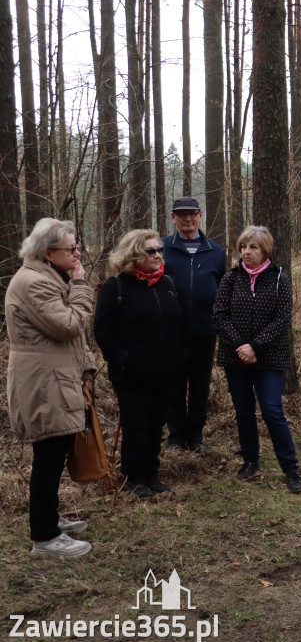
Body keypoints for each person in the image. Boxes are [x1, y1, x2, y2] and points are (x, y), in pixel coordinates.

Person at [6, 218, 96, 556]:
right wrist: (82, 285)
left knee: (54, 455)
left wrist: (86, 367)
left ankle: (49, 519)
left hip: (55, 378)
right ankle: (44, 538)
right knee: (48, 456)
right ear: (47, 253)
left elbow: (70, 338)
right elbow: (69, 325)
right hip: (43, 383)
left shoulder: (46, 277)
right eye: (71, 249)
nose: (77, 254)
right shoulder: (33, 283)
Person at [94, 229, 185, 498]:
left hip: (166, 372)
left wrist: (180, 356)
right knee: (137, 425)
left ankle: (151, 473)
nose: (158, 255)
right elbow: (102, 331)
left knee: (157, 423)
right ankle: (133, 476)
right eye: (151, 251)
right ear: (134, 255)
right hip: (131, 374)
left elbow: (180, 324)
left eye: (159, 250)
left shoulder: (167, 283)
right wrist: (123, 360)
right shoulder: (116, 287)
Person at [213, 226, 301, 492]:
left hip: (269, 358)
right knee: (243, 412)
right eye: (243, 247)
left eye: (253, 247)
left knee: (272, 411)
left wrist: (254, 346)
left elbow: (282, 318)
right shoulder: (231, 278)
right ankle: (250, 461)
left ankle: (291, 469)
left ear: (265, 250)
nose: (246, 252)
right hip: (235, 357)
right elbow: (219, 315)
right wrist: (240, 345)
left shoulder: (279, 278)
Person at [161, 196, 226, 453]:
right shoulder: (162, 248)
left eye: (192, 214)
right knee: (174, 384)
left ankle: (196, 436)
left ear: (200, 216)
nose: (188, 219)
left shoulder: (215, 251)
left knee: (200, 385)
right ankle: (176, 437)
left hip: (204, 329)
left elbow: (222, 288)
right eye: (182, 214)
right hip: (171, 332)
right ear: (173, 217)